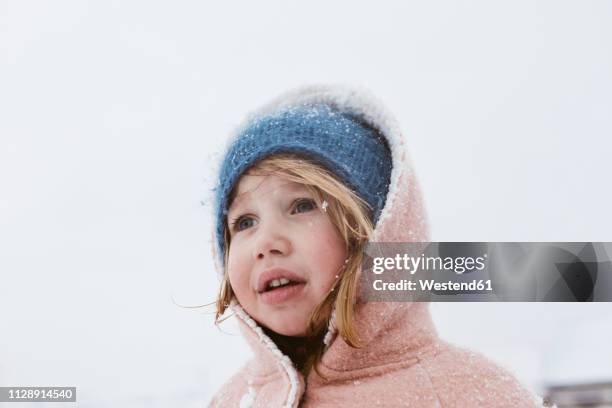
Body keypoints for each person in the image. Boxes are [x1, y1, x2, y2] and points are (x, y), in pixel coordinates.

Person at [207, 85, 540, 407]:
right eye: (244, 222)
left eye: (302, 205)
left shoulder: (471, 393)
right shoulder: (231, 400)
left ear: (378, 230)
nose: (265, 244)